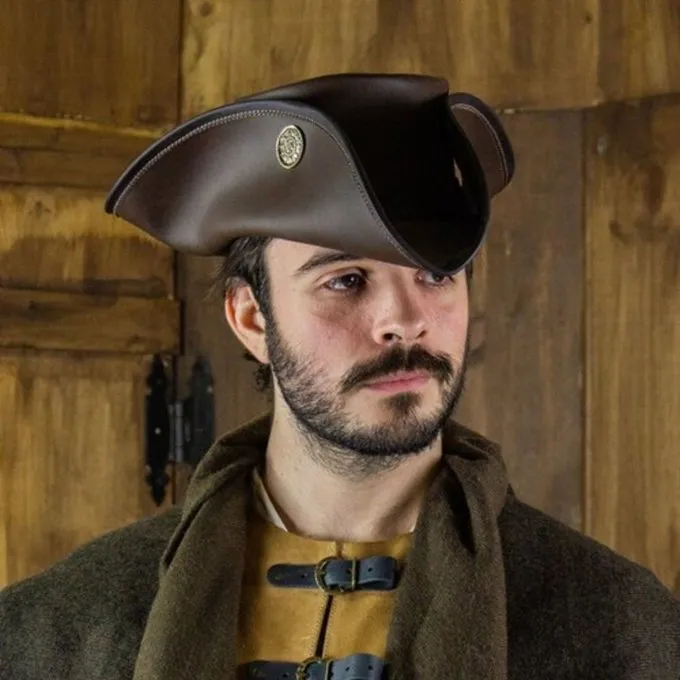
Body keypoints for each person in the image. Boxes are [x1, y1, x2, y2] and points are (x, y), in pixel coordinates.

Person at [1, 73, 678, 680]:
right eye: (347, 280)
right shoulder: (57, 630)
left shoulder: (618, 624)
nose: (405, 321)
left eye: (436, 275)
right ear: (252, 319)